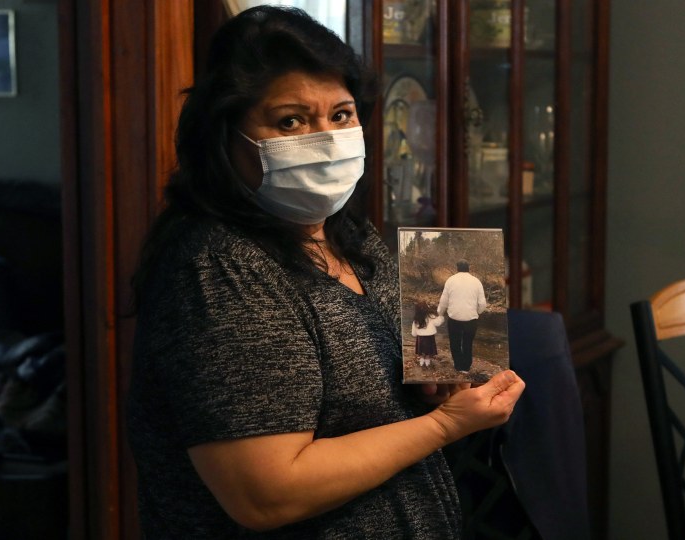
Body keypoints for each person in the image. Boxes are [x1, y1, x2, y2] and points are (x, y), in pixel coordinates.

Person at [127, 6, 524, 539]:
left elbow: (376, 391)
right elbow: (267, 494)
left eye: (340, 115)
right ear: (226, 137)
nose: (325, 138)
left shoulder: (347, 233)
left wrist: (436, 384)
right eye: (290, 120)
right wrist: (446, 425)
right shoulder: (219, 273)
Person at [437, 259, 487, 374]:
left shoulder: (450, 280)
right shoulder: (476, 281)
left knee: (455, 342)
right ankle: (466, 367)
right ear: (468, 268)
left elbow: (444, 301)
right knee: (467, 343)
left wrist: (440, 313)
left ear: (457, 268)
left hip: (454, 319)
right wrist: (477, 313)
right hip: (471, 319)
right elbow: (482, 304)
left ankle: (458, 366)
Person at [411, 300, 444, 368]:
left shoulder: (416, 318)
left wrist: (414, 334)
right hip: (429, 337)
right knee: (428, 350)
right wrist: (441, 317)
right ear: (426, 308)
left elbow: (414, 330)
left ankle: (422, 360)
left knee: (421, 350)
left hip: (420, 338)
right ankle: (427, 360)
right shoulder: (431, 316)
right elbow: (438, 323)